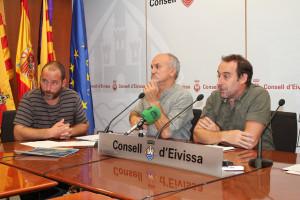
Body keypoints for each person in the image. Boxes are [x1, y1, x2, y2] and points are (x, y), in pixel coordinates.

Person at [193, 54, 275, 150]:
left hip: (257, 160)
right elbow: (197, 135)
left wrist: (215, 135)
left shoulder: (258, 95)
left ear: (243, 78)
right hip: (226, 157)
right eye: (219, 76)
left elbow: (249, 142)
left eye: (226, 76)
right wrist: (223, 136)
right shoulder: (215, 96)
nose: (219, 82)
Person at [14, 61, 89, 141]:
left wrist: (69, 131)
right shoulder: (29, 99)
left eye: (54, 83)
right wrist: (51, 133)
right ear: (40, 79)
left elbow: (84, 125)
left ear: (63, 83)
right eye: (44, 81)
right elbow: (18, 134)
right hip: (35, 151)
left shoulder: (72, 97)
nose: (48, 88)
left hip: (64, 150)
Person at [129, 53, 193, 140]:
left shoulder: (183, 96)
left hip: (175, 151)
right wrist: (133, 118)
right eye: (152, 67)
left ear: (172, 72)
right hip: (150, 149)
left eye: (157, 67)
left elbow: (166, 133)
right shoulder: (150, 92)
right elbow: (135, 111)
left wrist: (153, 102)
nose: (152, 71)